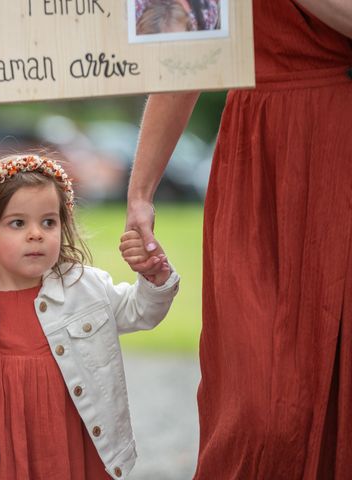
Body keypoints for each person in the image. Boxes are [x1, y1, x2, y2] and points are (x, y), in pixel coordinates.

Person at [126, 0, 352, 478]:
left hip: (339, 141)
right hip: (259, 160)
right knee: (253, 407)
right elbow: (184, 52)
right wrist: (141, 191)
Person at [0, 154, 179, 479]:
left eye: (48, 222)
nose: (36, 234)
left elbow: (139, 311)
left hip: (71, 453)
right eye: (18, 223)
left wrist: (154, 279)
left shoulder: (84, 288)